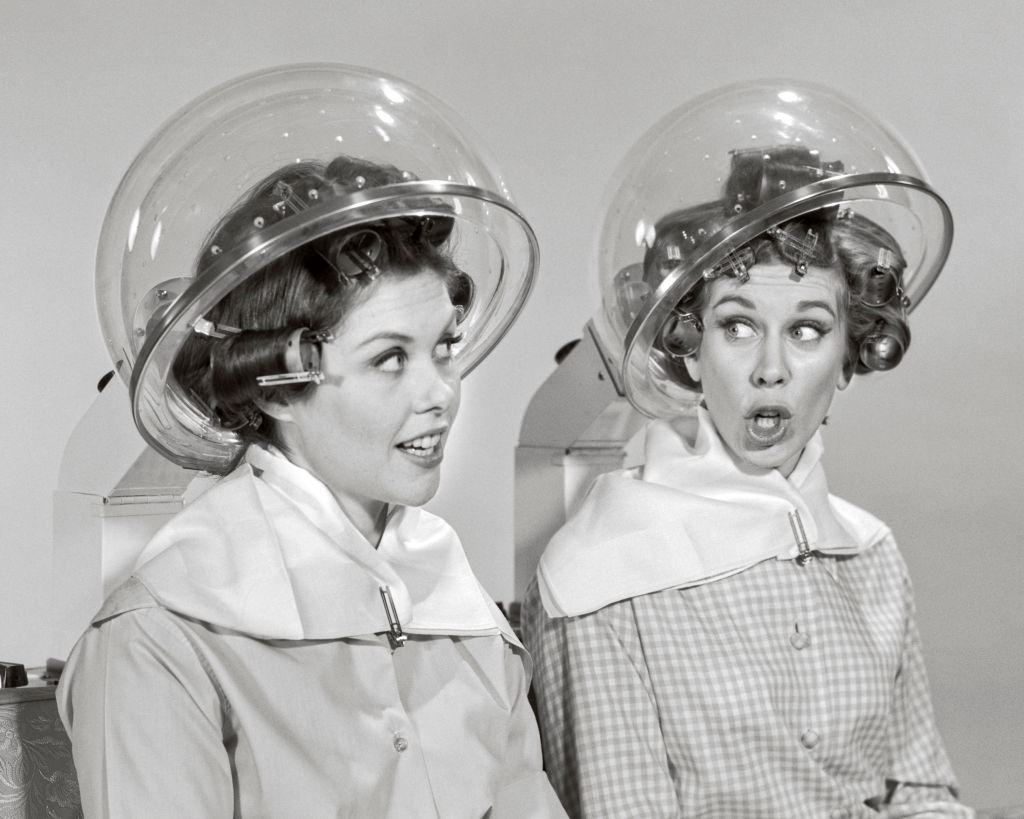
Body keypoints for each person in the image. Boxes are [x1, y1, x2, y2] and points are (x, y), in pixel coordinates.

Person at [58, 65, 565, 818]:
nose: (441, 393)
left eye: (444, 348)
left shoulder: (460, 615)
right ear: (277, 381)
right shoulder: (161, 638)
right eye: (390, 358)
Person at [521, 84, 970, 818]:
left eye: (806, 330)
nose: (770, 368)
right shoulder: (596, 579)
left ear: (850, 354)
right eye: (736, 326)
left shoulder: (872, 556)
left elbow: (921, 794)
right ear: (691, 350)